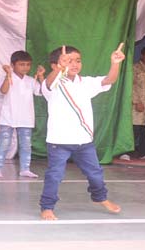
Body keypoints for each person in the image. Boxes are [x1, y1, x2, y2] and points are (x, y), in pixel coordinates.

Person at [39, 44, 125, 221]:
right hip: (58, 142)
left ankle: (100, 197)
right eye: (68, 61)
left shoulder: (86, 82)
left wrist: (115, 63)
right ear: (55, 65)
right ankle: (47, 207)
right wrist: (59, 69)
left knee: (95, 174)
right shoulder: (53, 84)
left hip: (84, 141)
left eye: (77, 60)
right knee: (55, 175)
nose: (74, 64)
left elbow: (109, 80)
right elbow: (48, 83)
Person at [0, 51, 45, 179]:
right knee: (4, 144)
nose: (25, 67)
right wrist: (8, 75)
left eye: (28, 64)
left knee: (26, 145)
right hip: (8, 116)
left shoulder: (31, 80)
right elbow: (3, 91)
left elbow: (42, 92)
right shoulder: (7, 78)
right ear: (13, 65)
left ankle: (25, 169)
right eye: (21, 64)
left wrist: (41, 76)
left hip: (26, 118)